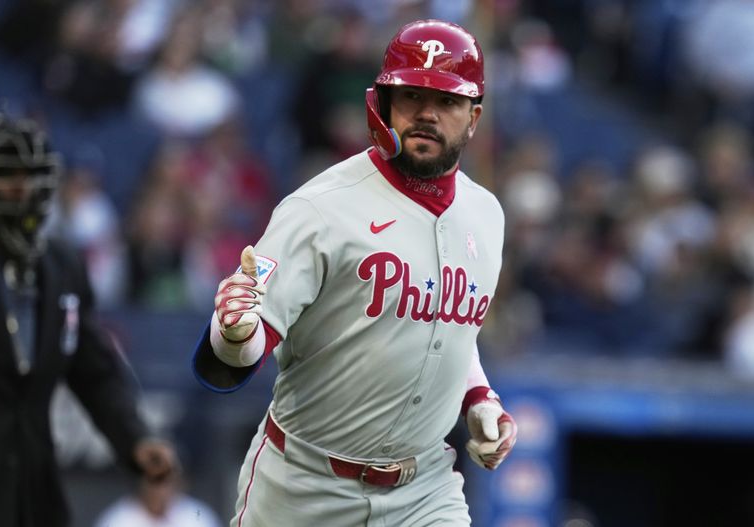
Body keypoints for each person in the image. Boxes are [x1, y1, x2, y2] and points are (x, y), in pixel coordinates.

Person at [193, 19, 516, 526]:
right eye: (411, 96)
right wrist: (233, 332)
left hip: (425, 489)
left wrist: (479, 398)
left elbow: (446, 326)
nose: (427, 114)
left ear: (473, 117)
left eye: (447, 102)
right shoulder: (321, 207)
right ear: (382, 103)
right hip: (305, 487)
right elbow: (232, 360)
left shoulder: (486, 214)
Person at [0, 110, 178, 527]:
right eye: (7, 176)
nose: (23, 189)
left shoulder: (59, 264)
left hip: (35, 489)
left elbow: (94, 368)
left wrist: (135, 436)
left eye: (31, 175)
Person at [94, 470, 222, 527]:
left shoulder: (196, 514)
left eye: (165, 480)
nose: (160, 489)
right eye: (154, 480)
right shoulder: (117, 519)